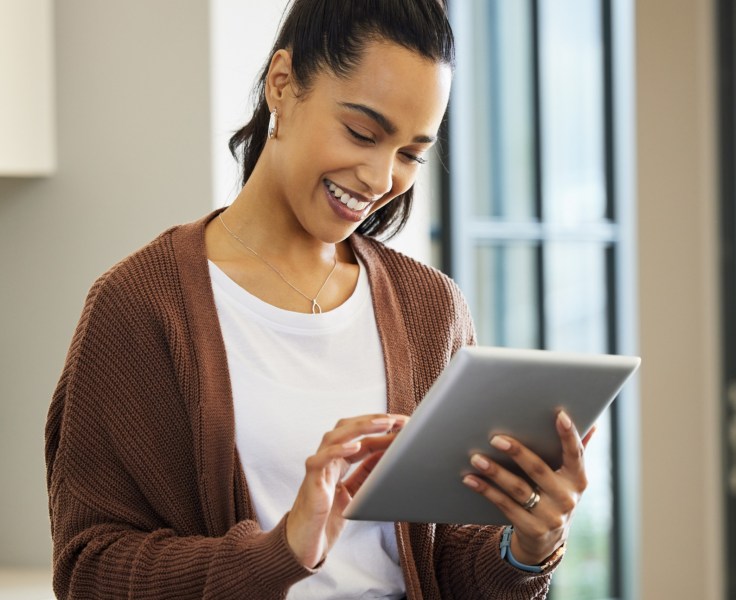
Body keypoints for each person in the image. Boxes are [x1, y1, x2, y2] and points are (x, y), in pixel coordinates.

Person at [45, 0, 595, 598]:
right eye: (363, 132)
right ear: (282, 84)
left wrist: (524, 546)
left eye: (411, 153)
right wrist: (278, 553)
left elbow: (442, 562)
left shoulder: (432, 310)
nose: (382, 178)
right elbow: (89, 571)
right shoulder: (141, 308)